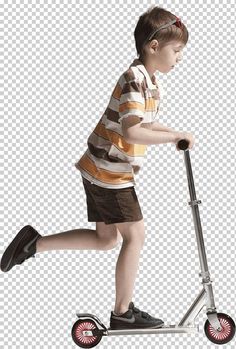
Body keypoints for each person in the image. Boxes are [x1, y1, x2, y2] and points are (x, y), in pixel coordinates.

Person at [0, 5, 195, 330]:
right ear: (154, 46)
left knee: (107, 240)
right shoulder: (133, 79)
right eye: (177, 50)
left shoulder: (151, 82)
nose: (180, 58)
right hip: (109, 171)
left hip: (105, 169)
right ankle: (122, 313)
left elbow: (146, 123)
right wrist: (174, 136)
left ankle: (33, 244)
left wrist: (175, 134)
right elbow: (132, 131)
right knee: (135, 236)